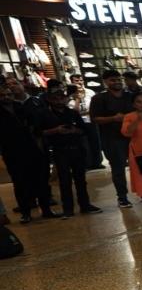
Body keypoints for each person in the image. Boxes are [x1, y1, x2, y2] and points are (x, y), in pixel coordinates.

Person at [37, 87, 101, 217]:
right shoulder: (45, 114)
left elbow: (84, 130)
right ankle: (68, 208)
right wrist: (55, 130)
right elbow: (38, 132)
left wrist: (74, 130)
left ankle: (85, 205)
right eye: (55, 98)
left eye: (61, 98)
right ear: (49, 100)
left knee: (80, 179)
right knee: (64, 180)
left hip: (76, 148)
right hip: (59, 150)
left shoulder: (72, 113)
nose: (59, 101)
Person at [0, 81, 56, 222]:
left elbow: (35, 126)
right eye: (3, 95)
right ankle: (26, 213)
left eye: (9, 94)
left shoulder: (20, 107)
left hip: (31, 148)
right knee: (19, 182)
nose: (7, 97)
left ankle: (46, 209)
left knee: (41, 180)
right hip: (12, 151)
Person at [89, 69, 135, 207]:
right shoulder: (98, 98)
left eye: (118, 79)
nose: (116, 82)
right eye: (112, 80)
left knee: (140, 164)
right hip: (112, 139)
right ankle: (122, 197)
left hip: (133, 136)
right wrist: (113, 118)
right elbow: (95, 119)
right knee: (118, 168)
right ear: (105, 82)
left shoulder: (130, 96)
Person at [70, 73, 103, 169]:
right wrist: (77, 98)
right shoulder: (70, 95)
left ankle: (97, 163)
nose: (79, 82)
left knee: (95, 142)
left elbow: (95, 107)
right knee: (84, 143)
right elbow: (73, 112)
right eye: (76, 81)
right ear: (72, 82)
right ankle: (87, 163)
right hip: (78, 122)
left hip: (91, 120)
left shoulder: (90, 92)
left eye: (81, 80)